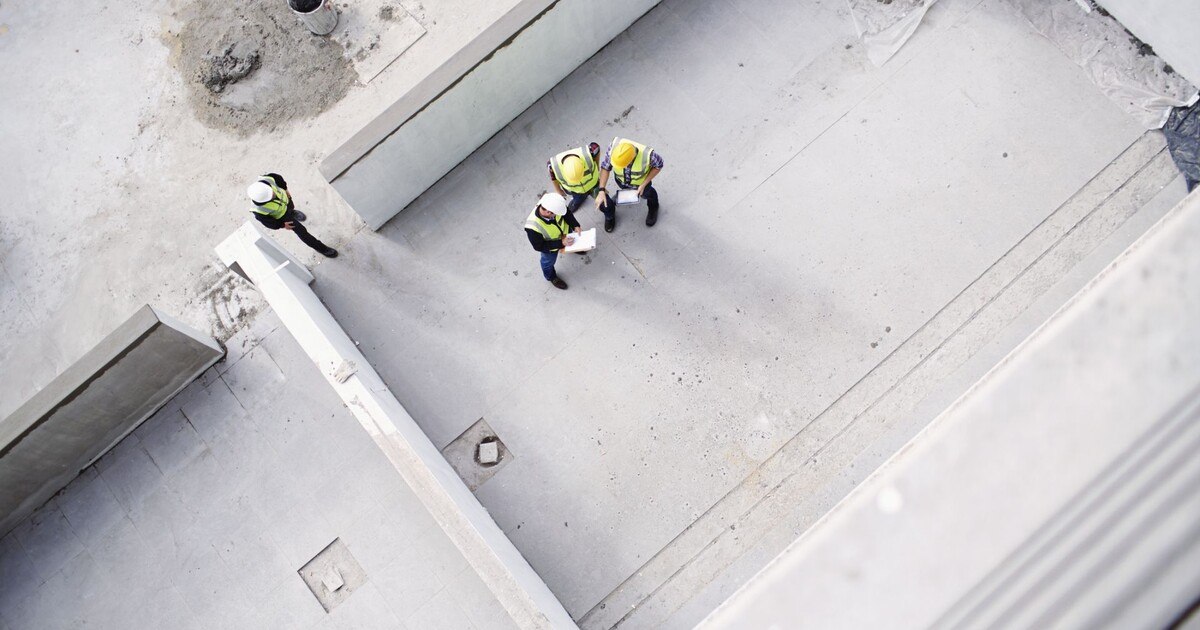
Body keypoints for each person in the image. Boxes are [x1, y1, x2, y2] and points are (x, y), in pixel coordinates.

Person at [246, 173, 338, 258]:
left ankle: (293, 212)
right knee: (302, 232)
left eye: (272, 192)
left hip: (287, 202)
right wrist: (282, 225)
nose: (274, 194)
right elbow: (269, 223)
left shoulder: (267, 180)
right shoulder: (258, 211)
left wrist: (285, 190)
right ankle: (322, 249)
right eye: (271, 197)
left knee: (291, 207)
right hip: (284, 217)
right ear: (263, 201)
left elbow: (279, 178)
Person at [548, 142, 618, 232]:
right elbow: (553, 178)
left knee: (606, 204)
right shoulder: (552, 165)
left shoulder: (591, 151)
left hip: (593, 185)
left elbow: (596, 150)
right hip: (575, 190)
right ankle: (579, 200)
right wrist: (558, 190)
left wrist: (596, 167)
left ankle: (610, 216)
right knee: (577, 198)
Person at [596, 137, 664, 226]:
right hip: (622, 181)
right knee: (625, 190)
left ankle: (653, 207)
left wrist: (643, 184)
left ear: (631, 160)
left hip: (641, 185)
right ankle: (625, 193)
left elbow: (659, 165)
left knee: (648, 194)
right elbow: (605, 167)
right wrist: (601, 190)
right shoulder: (613, 149)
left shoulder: (649, 155)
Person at [524, 193, 581, 290]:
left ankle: (573, 248)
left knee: (572, 242)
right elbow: (539, 246)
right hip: (550, 247)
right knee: (547, 263)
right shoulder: (532, 227)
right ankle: (552, 277)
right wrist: (561, 243)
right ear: (549, 212)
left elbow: (567, 214)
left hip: (566, 234)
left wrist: (575, 225)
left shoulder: (555, 206)